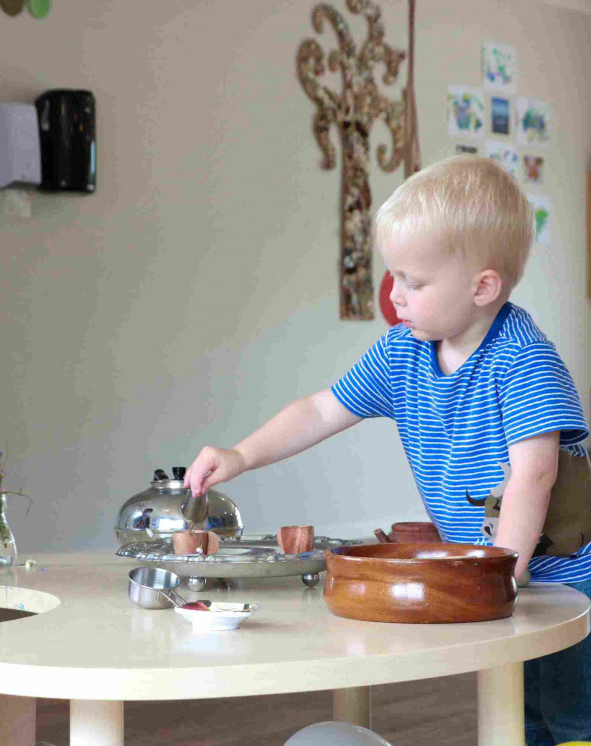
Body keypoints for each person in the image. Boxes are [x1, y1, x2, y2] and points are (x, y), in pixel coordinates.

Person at [184, 155, 591, 745]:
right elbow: (323, 409)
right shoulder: (402, 351)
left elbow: (535, 475)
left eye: (414, 282)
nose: (394, 295)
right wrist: (241, 455)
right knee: (516, 712)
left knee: (571, 712)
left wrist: (504, 567)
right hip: (499, 580)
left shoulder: (522, 360)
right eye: (393, 276)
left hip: (563, 583)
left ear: (483, 286)